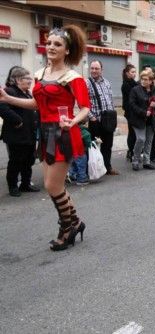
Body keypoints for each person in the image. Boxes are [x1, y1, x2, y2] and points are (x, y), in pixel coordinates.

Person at [0, 25, 89, 251]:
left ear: (67, 50)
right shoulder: (39, 74)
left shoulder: (73, 77)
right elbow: (36, 105)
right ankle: (76, 223)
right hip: (45, 131)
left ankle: (66, 228)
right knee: (55, 186)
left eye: (57, 44)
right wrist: (8, 99)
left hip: (64, 132)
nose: (51, 47)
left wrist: (72, 121)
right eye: (49, 43)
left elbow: (85, 108)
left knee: (51, 185)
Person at [0, 66, 40, 196]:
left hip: (29, 134)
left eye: (30, 78)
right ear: (17, 80)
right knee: (16, 161)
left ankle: (25, 184)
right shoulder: (9, 91)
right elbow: (2, 108)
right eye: (26, 78)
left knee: (28, 160)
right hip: (16, 135)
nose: (30, 81)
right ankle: (13, 186)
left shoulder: (27, 93)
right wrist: (18, 120)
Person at [86, 60, 119, 175]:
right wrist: (92, 117)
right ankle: (93, 170)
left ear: (101, 70)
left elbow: (110, 99)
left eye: (96, 68)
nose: (94, 71)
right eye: (92, 68)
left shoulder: (107, 82)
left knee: (107, 145)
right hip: (95, 121)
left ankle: (107, 167)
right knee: (93, 146)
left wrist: (113, 114)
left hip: (108, 120)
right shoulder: (87, 83)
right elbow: (83, 103)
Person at [128, 69, 155, 171]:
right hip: (138, 120)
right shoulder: (135, 90)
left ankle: (146, 162)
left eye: (146, 79)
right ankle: (135, 160)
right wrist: (143, 112)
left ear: (151, 81)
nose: (143, 81)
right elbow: (132, 104)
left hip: (151, 120)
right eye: (142, 79)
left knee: (149, 141)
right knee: (141, 139)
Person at [121, 64, 138, 162]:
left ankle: (133, 151)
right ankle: (130, 151)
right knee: (132, 133)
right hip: (130, 112)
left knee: (134, 133)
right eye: (132, 72)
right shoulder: (126, 84)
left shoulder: (133, 82)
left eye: (135, 72)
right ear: (127, 73)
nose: (134, 74)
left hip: (134, 111)